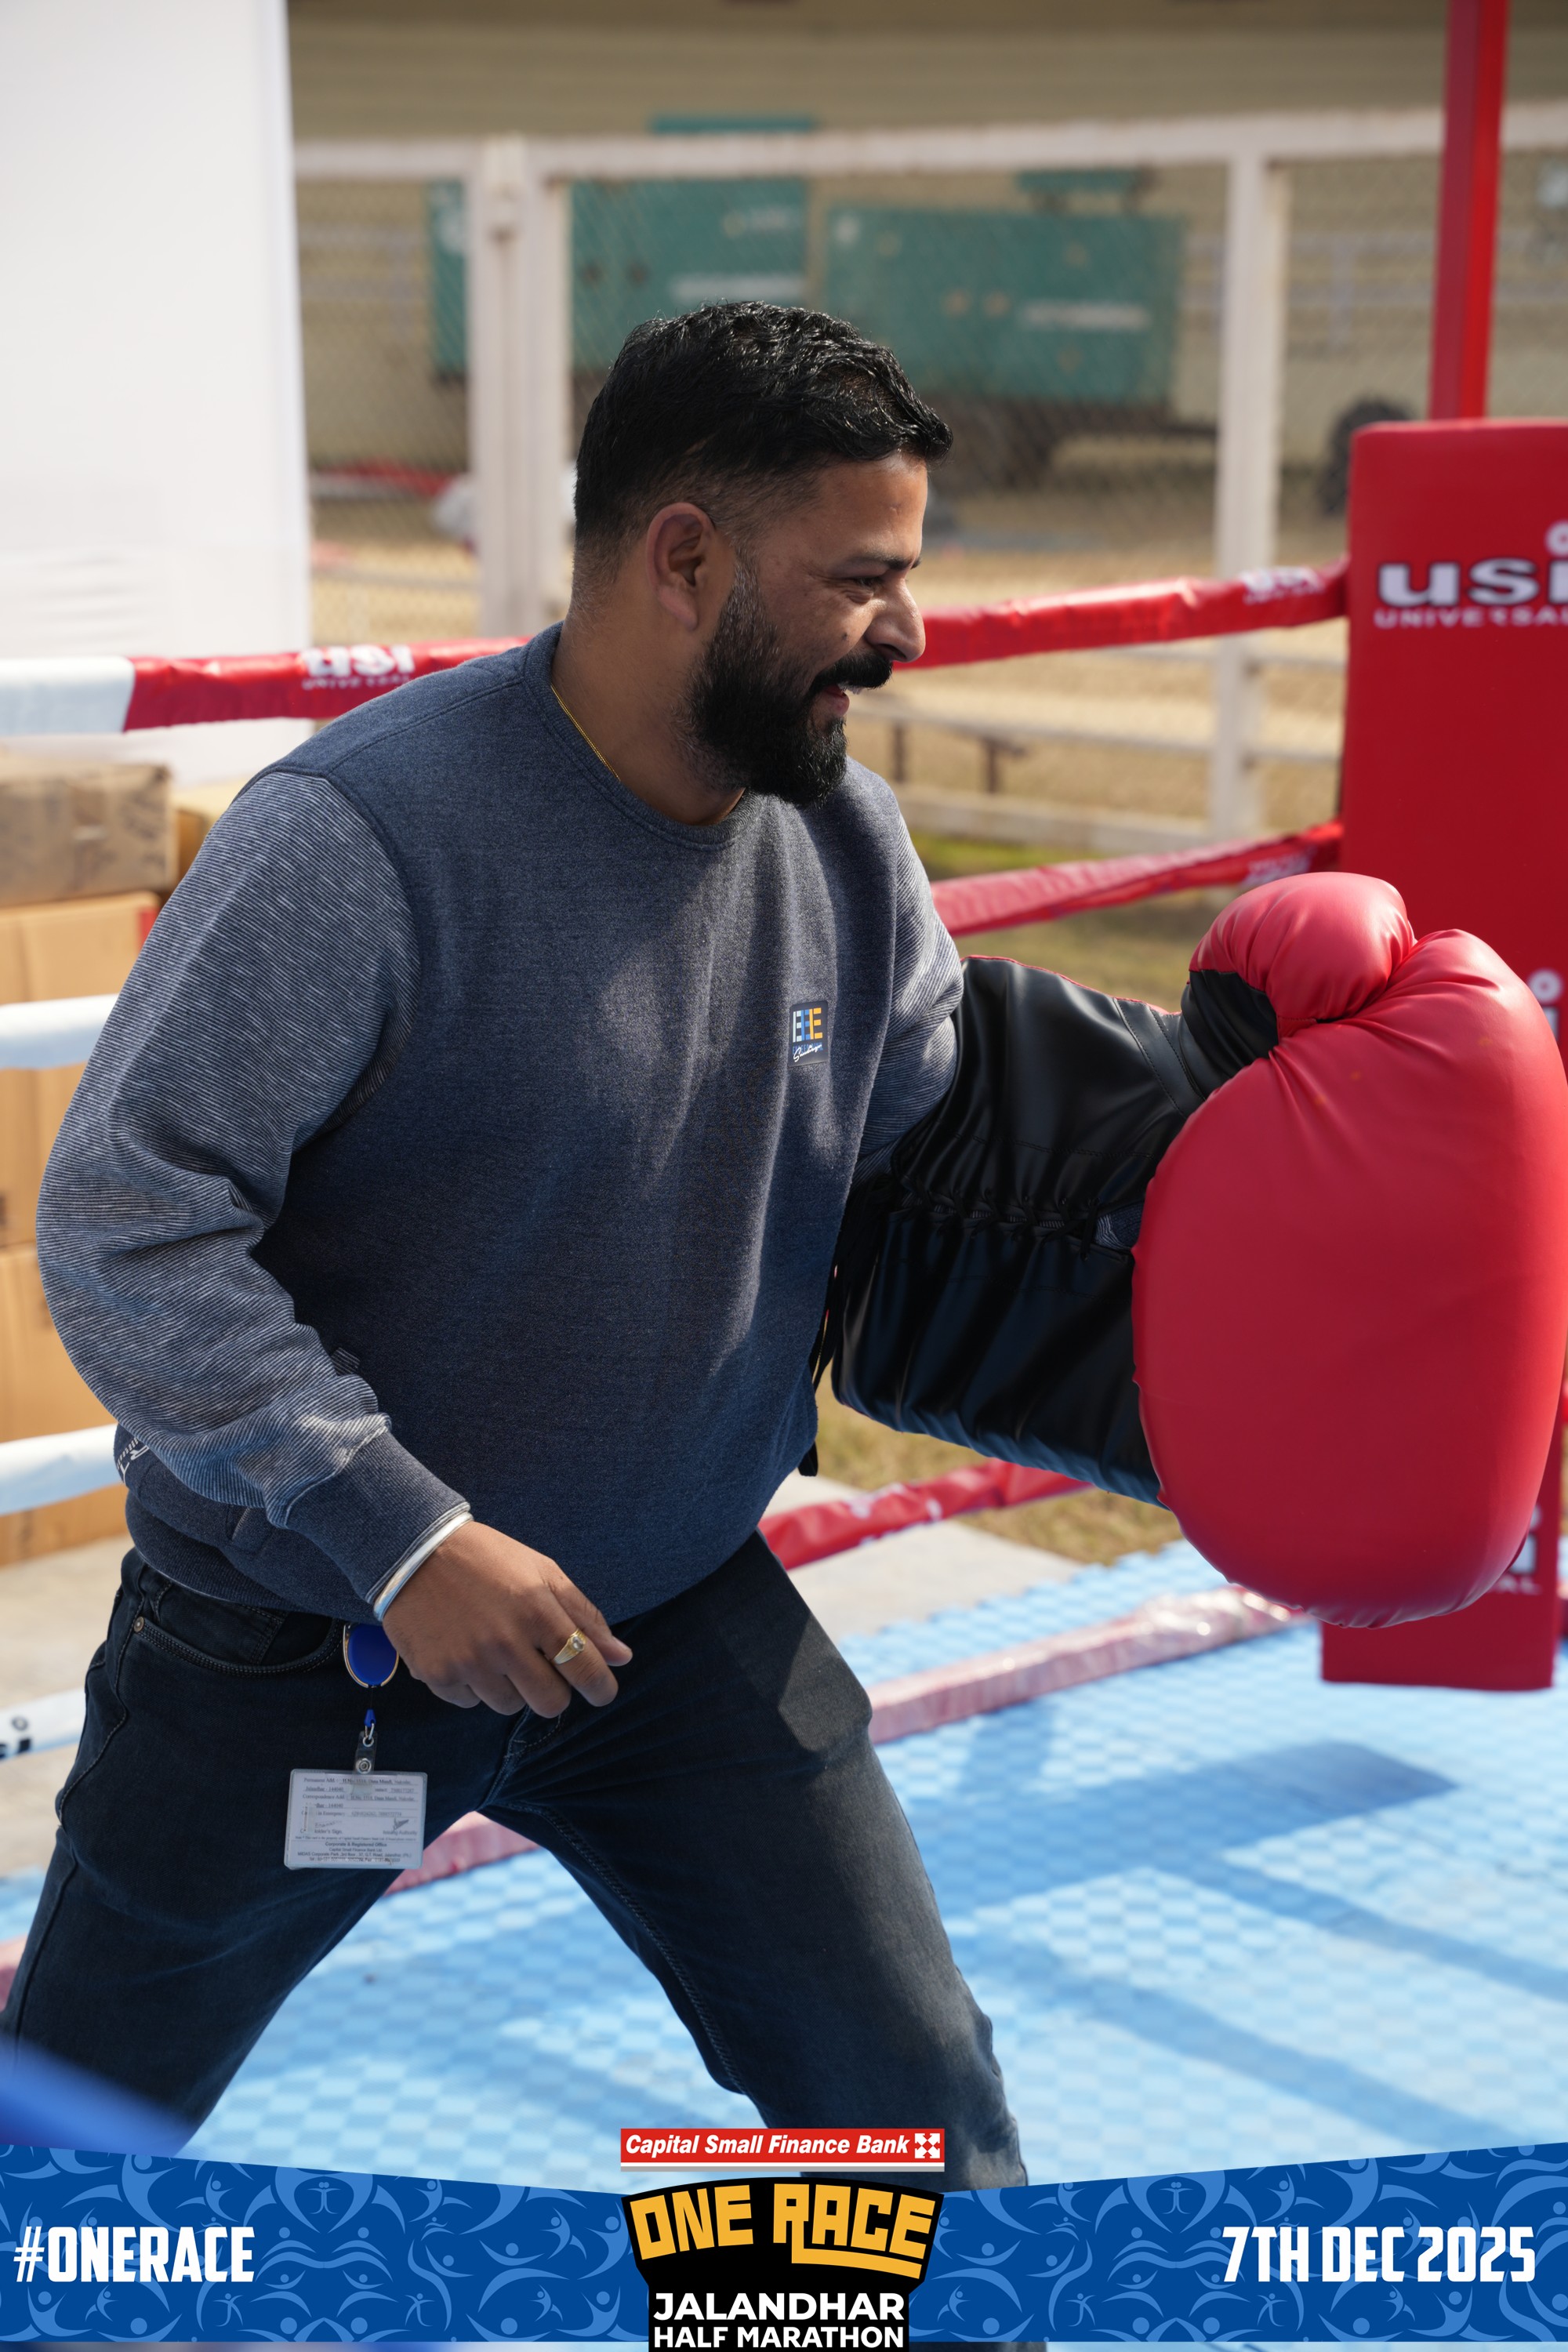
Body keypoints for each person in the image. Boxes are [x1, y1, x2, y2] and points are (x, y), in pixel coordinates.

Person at [2, 303, 1025, 2185]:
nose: (906, 631)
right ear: (683, 561)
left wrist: (1239, 1129)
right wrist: (399, 1532)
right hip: (305, 1649)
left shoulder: (844, 844)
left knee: (916, 2126)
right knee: (67, 2163)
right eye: (860, 579)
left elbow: (938, 1141)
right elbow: (128, 1224)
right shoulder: (354, 841)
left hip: (670, 1622)